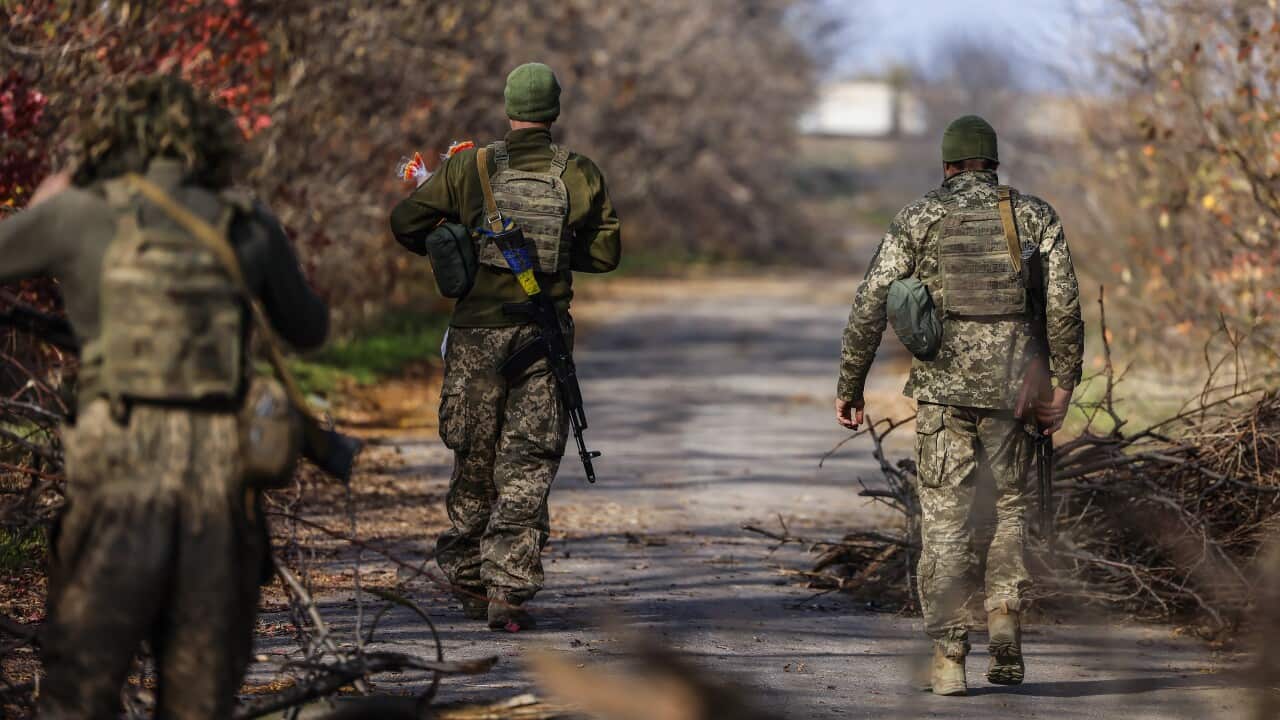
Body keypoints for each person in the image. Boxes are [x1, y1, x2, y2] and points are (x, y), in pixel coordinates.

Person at [0, 75, 328, 718]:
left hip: (117, 475)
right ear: (210, 144)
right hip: (220, 484)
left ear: (111, 139)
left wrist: (48, 203)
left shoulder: (80, 213)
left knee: (80, 689)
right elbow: (308, 329)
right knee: (200, 697)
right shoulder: (247, 221)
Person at [834, 115, 1083, 695]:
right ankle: (1005, 626)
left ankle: (948, 659)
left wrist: (850, 385)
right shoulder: (1035, 215)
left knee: (946, 522)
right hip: (1016, 395)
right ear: (993, 162)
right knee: (1012, 511)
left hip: (944, 397)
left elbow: (870, 302)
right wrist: (1065, 383)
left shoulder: (920, 216)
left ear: (947, 165)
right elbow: (1065, 306)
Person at [390, 62, 621, 631]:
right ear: (555, 112)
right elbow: (605, 255)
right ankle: (508, 590)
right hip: (541, 337)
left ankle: (468, 576)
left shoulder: (470, 168)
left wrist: (455, 244)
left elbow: (405, 221)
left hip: (474, 339)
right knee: (528, 463)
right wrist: (560, 250)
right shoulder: (580, 174)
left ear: (508, 106)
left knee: (473, 457)